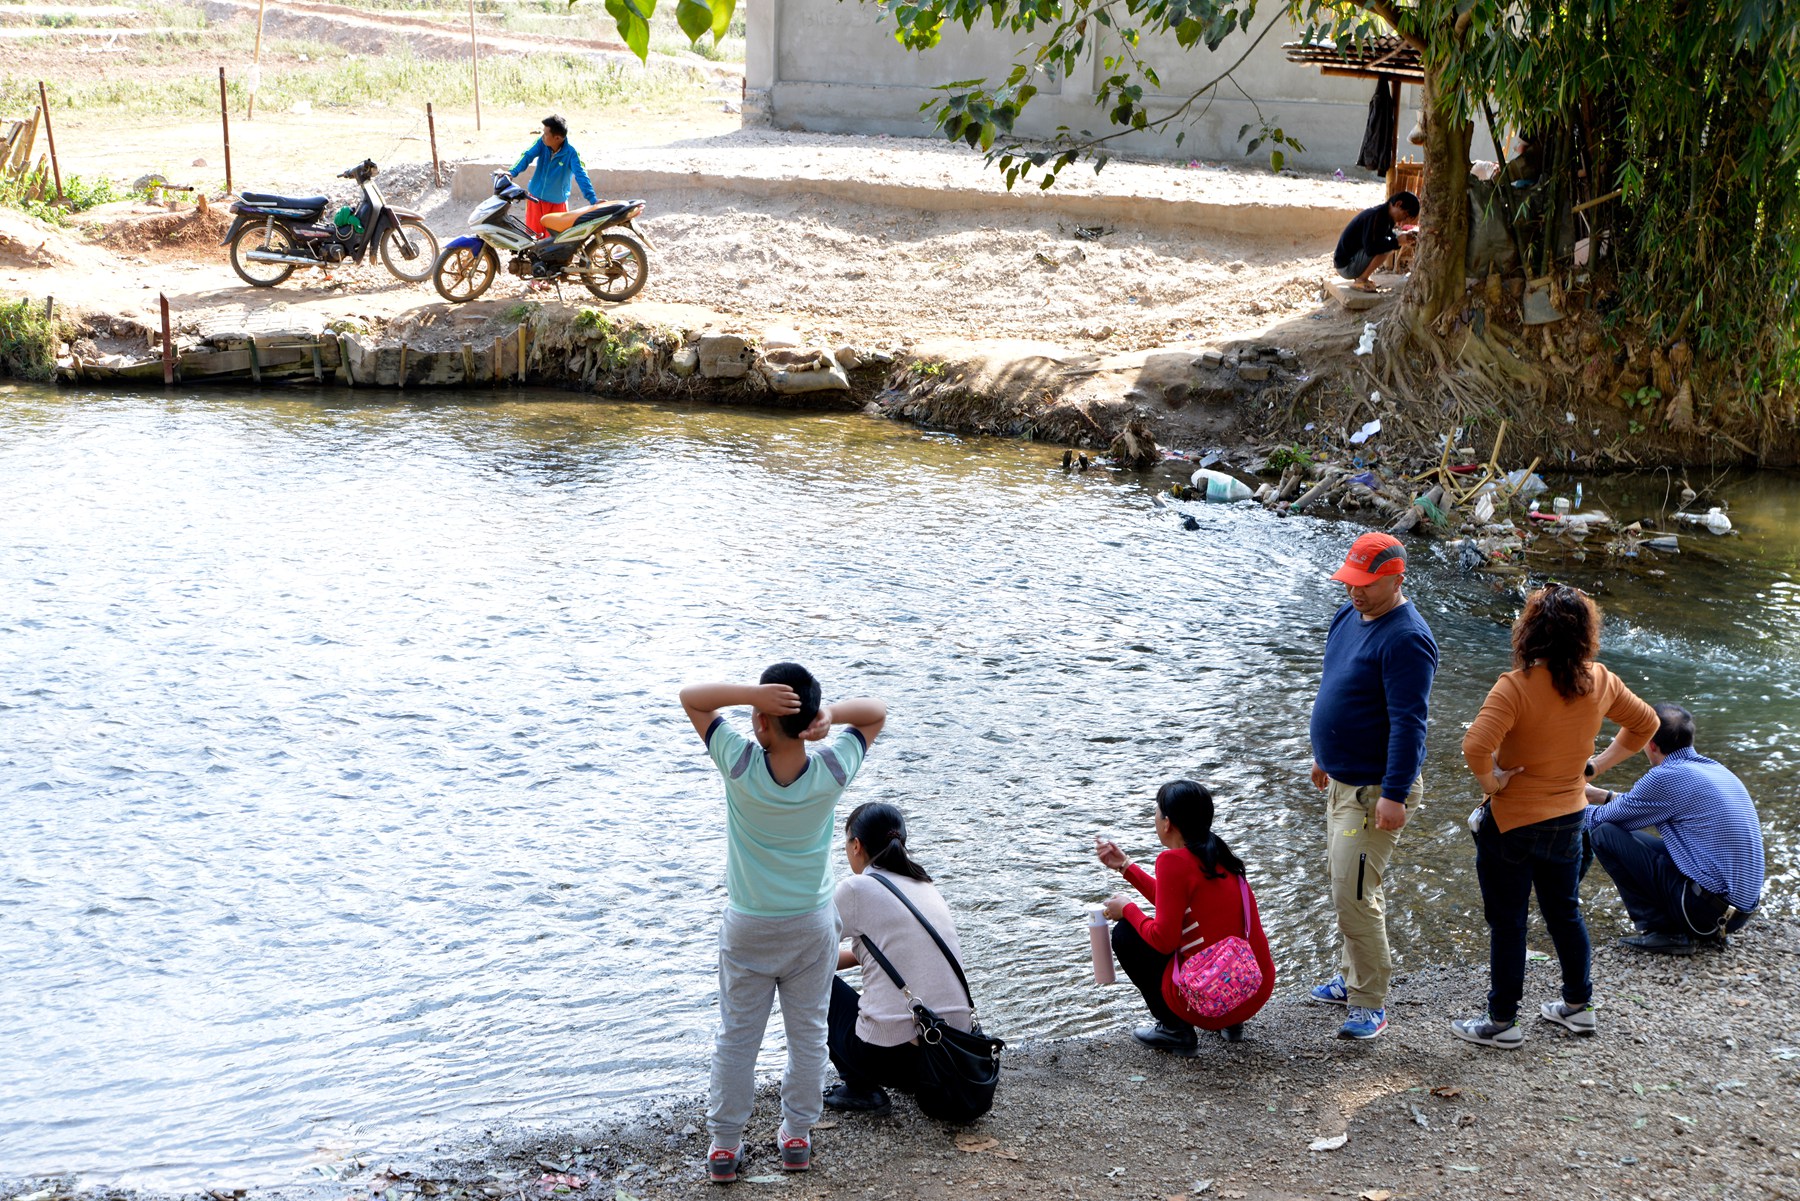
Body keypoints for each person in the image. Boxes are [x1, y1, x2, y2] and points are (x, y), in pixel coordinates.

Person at [679, 666, 886, 1185]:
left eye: (756, 712)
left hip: (748, 925)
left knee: (737, 1038)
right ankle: (797, 1136)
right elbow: (876, 713)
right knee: (809, 1034)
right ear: (808, 723)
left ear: (762, 723)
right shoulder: (830, 771)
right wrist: (832, 715)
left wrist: (752, 694)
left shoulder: (741, 763)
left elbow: (692, 697)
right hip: (812, 927)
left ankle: (724, 1147)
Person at [1453, 585, 1660, 1048]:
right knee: (1565, 913)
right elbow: (1646, 725)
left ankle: (1502, 1022)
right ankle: (1578, 1007)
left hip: (1510, 825)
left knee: (1509, 923)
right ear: (1586, 635)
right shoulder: (1601, 681)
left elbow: (1475, 746)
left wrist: (1493, 783)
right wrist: (1595, 767)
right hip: (1570, 818)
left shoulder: (1515, 686)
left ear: (1530, 631)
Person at [1307, 531, 1438, 1040]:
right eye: (1350, 580)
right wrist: (1324, 755)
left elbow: (1410, 723)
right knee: (1346, 885)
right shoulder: (1348, 615)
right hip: (1343, 778)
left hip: (1373, 791)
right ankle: (1351, 977)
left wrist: (1395, 793)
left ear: (1396, 578)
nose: (1353, 590)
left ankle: (1370, 1002)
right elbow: (1333, 683)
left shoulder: (1407, 639)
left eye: (1364, 583)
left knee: (1356, 892)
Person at [1094, 780, 1275, 1052]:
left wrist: (1127, 909)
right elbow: (1175, 901)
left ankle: (1174, 1029)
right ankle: (1232, 1023)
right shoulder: (1220, 854)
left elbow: (1163, 940)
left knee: (1126, 933)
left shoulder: (1171, 861)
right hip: (1250, 993)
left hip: (1208, 1004)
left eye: (1156, 812)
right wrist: (1125, 866)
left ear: (1167, 823)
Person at [1584, 703, 1765, 955]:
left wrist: (1559, 803)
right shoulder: (1713, 769)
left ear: (1650, 744)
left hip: (1704, 916)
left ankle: (1664, 932)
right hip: (1735, 914)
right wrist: (1596, 795)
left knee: (1604, 833)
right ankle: (1689, 931)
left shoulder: (1664, 777)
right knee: (1629, 837)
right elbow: (1639, 804)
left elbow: (1598, 820)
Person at [826, 802, 972, 1115]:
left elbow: (807, 951)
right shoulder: (923, 883)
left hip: (897, 1058)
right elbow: (893, 950)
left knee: (809, 982)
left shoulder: (856, 887)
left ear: (856, 845)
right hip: (953, 1047)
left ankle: (861, 1089)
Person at [509, 114, 601, 237]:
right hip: (535, 200)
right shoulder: (542, 143)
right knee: (533, 239)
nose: (542, 136)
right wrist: (512, 172)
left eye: (546, 134)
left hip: (556, 205)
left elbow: (581, 175)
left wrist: (593, 199)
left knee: (555, 242)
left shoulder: (571, 154)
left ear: (557, 138)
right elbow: (527, 156)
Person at [1333, 191, 1420, 293]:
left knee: (1391, 241)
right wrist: (1397, 242)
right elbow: (1372, 248)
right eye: (1405, 214)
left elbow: (1390, 237)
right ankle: (1361, 280)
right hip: (1346, 266)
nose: (1404, 220)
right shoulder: (1376, 217)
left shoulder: (1385, 216)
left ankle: (1362, 278)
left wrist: (1402, 240)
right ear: (1398, 204)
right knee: (1386, 247)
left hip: (1350, 261)